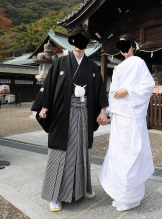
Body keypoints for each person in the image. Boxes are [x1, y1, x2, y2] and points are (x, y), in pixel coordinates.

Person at [31, 26, 108, 212]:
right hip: (63, 114)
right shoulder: (60, 63)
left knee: (82, 151)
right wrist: (44, 106)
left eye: (84, 40)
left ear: (87, 44)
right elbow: (49, 86)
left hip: (84, 115)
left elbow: (99, 90)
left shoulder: (92, 67)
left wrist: (103, 111)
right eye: (77, 39)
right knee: (60, 153)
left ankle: (83, 189)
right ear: (72, 41)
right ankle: (55, 195)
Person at [98, 34, 155, 212]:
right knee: (118, 154)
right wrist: (107, 111)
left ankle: (131, 197)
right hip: (119, 116)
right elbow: (112, 92)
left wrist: (128, 90)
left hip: (131, 115)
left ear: (132, 46)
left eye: (126, 44)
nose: (123, 48)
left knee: (132, 152)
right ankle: (120, 194)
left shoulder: (138, 62)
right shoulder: (118, 67)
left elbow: (148, 85)